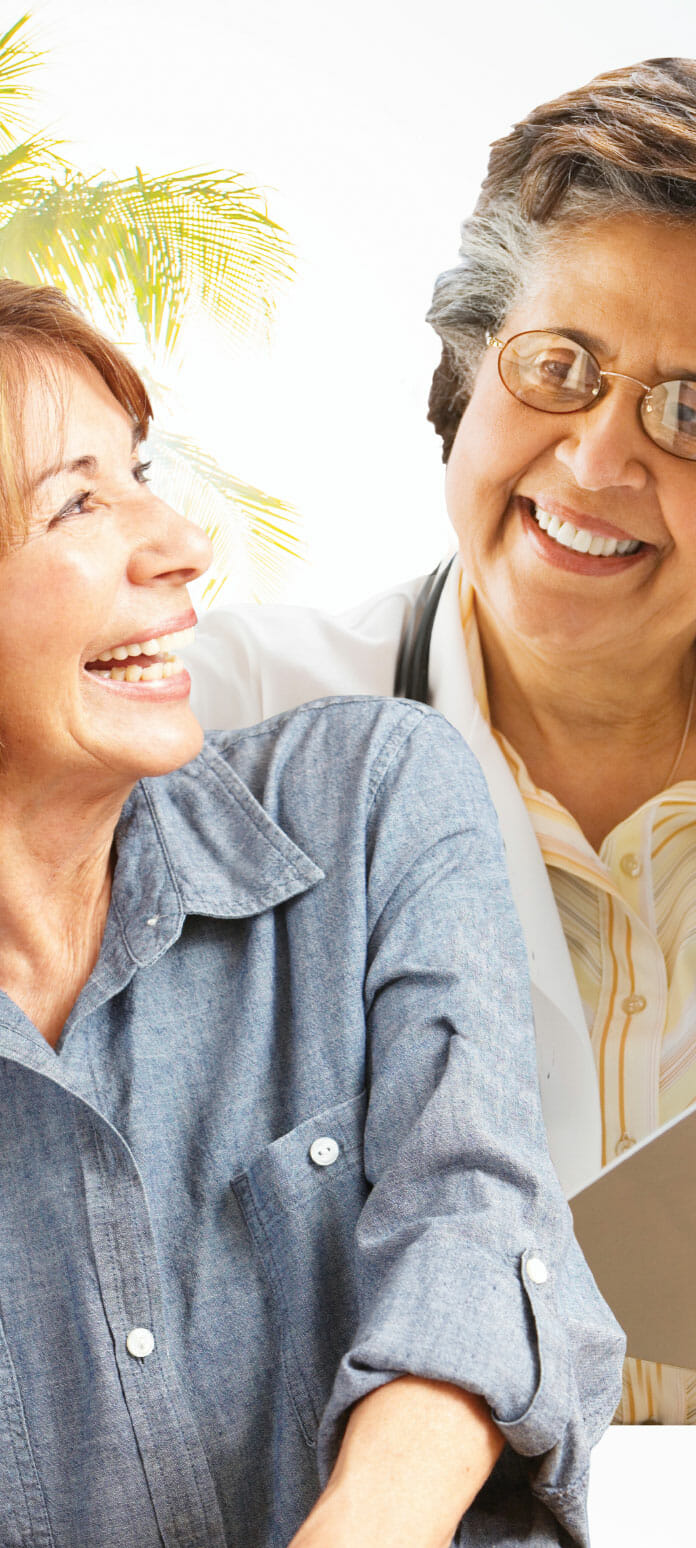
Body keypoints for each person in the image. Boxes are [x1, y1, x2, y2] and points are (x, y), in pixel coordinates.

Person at [0, 277, 622, 1548]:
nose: (178, 543)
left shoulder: (368, 798)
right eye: (75, 503)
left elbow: (480, 1218)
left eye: (142, 473)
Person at [187, 57, 696, 1427]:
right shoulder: (225, 723)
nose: (597, 461)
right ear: (468, 373)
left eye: (691, 410)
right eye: (557, 368)